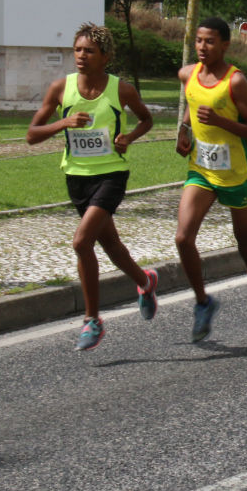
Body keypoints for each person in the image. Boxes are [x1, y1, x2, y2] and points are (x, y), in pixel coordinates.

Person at [26, 23, 158, 351]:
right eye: (78, 50)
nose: (81, 56)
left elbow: (146, 119)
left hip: (112, 175)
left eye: (89, 51)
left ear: (105, 57)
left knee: (82, 242)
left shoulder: (121, 90)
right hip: (77, 177)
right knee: (111, 246)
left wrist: (128, 138)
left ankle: (92, 321)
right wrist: (63, 122)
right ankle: (144, 281)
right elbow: (31, 134)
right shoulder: (60, 89)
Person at [175, 17, 247, 345]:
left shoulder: (236, 82)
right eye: (199, 41)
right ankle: (203, 303)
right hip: (201, 170)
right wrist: (184, 131)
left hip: (236, 174)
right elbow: (192, 104)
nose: (203, 47)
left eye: (210, 41)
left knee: (246, 246)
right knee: (183, 238)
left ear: (225, 45)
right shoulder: (187, 74)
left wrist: (220, 121)